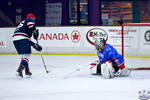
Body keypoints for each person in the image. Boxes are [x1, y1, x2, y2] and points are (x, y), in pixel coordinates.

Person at [12, 13, 42, 79]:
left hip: (15, 39)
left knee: (24, 56)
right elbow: (30, 25)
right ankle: (19, 70)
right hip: (22, 38)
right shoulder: (29, 19)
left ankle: (27, 71)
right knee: (26, 56)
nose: (34, 20)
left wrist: (34, 44)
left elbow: (25, 38)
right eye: (34, 18)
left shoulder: (22, 24)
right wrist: (34, 30)